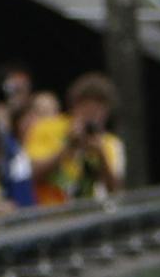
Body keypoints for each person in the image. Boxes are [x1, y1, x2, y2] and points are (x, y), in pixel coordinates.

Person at [24, 74, 123, 204]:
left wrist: (101, 155)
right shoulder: (47, 128)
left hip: (84, 217)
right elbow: (31, 175)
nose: (92, 115)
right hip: (48, 216)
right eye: (87, 108)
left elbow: (115, 191)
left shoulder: (109, 143)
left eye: (99, 110)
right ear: (74, 105)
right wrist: (68, 146)